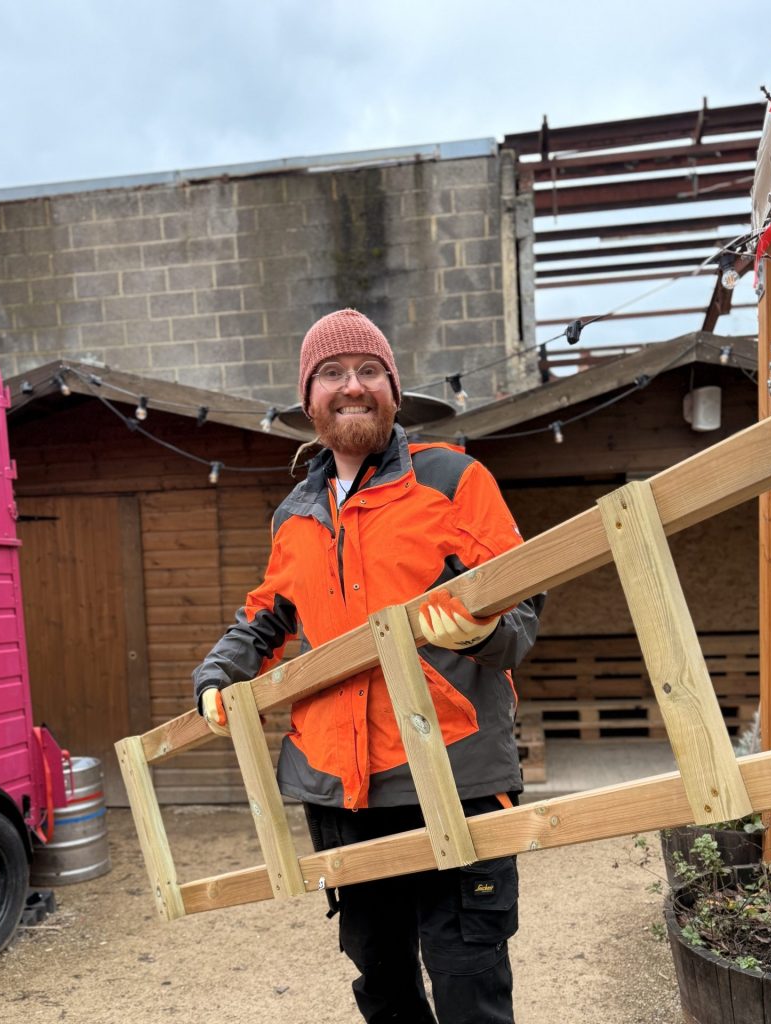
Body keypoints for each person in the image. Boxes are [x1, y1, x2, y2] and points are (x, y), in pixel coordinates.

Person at [193, 308, 543, 1024]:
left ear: (393, 389)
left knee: (469, 984)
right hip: (339, 792)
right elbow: (268, 614)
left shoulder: (453, 479)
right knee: (381, 984)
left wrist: (482, 632)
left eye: (368, 371)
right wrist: (219, 675)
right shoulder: (295, 514)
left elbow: (523, 604)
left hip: (453, 773)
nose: (351, 386)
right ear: (309, 398)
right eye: (332, 373)